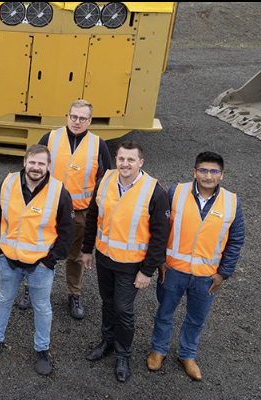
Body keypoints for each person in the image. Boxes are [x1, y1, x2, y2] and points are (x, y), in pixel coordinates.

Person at [0, 145, 74, 375]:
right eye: (33, 162)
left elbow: (68, 232)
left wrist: (50, 261)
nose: (36, 167)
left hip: (40, 265)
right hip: (7, 260)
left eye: (41, 164)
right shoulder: (8, 183)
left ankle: (42, 349)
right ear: (25, 162)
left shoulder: (59, 192)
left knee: (42, 307)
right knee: (3, 300)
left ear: (48, 166)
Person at [147, 152, 245, 380]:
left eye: (213, 171)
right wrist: (160, 260)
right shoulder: (175, 192)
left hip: (206, 277)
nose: (208, 176)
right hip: (172, 271)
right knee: (164, 313)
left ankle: (187, 354)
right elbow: (160, 227)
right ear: (194, 172)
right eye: (203, 170)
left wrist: (223, 273)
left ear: (221, 175)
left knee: (196, 319)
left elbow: (236, 239)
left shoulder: (232, 202)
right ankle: (158, 350)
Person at [82, 141, 170, 382]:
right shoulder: (106, 180)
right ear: (116, 160)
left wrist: (147, 271)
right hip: (104, 259)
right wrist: (87, 249)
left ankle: (123, 355)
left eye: (131, 160)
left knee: (124, 310)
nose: (125, 164)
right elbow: (92, 216)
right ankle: (107, 342)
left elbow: (160, 236)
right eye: (121, 159)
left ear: (140, 162)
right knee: (108, 303)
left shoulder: (155, 191)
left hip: (132, 265)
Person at [38, 99, 112, 319]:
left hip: (81, 212)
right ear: (67, 116)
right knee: (41, 250)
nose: (77, 122)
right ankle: (31, 289)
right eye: (73, 117)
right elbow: (35, 168)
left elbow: (106, 180)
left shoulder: (99, 145)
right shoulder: (49, 138)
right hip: (50, 208)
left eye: (82, 118)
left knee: (76, 256)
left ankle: (74, 294)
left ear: (90, 121)